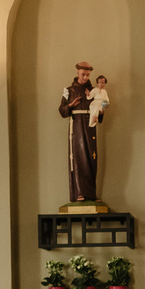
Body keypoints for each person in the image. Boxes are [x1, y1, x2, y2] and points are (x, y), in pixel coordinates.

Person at [59, 61, 105, 202]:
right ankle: (79, 192)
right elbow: (62, 110)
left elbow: (101, 106)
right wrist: (71, 105)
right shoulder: (69, 91)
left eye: (88, 75)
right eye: (83, 74)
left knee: (92, 158)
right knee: (79, 158)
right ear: (78, 72)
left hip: (90, 126)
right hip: (77, 127)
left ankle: (91, 193)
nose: (85, 77)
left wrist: (101, 110)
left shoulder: (93, 91)